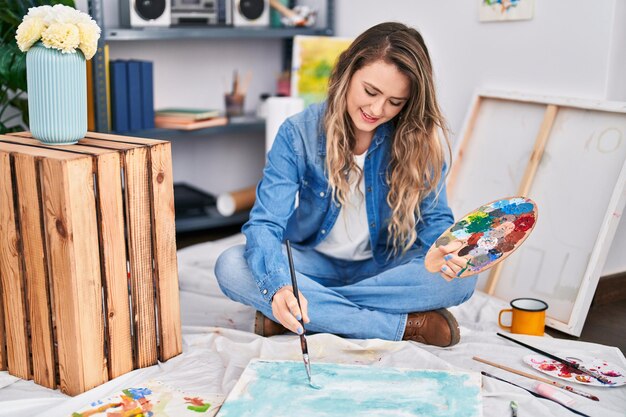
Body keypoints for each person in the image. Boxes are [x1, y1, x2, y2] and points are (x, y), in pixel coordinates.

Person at [215, 21, 477, 347]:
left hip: (383, 269)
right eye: (371, 92)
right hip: (311, 263)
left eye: (395, 102)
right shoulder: (298, 133)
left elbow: (435, 223)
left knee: (463, 280)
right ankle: (400, 325)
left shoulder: (419, 141)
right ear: (347, 72)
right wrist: (281, 285)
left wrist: (449, 250)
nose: (377, 109)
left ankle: (310, 310)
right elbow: (266, 224)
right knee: (230, 266)